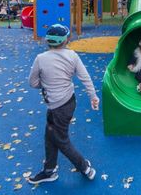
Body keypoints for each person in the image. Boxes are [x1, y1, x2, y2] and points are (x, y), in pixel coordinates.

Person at [28, 24, 99, 185]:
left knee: (60, 139)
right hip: (68, 102)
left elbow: (32, 83)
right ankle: (49, 170)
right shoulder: (72, 55)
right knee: (50, 135)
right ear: (66, 40)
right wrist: (93, 96)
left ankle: (85, 167)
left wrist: (46, 84)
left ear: (48, 41)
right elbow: (85, 77)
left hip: (56, 107)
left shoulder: (41, 59)